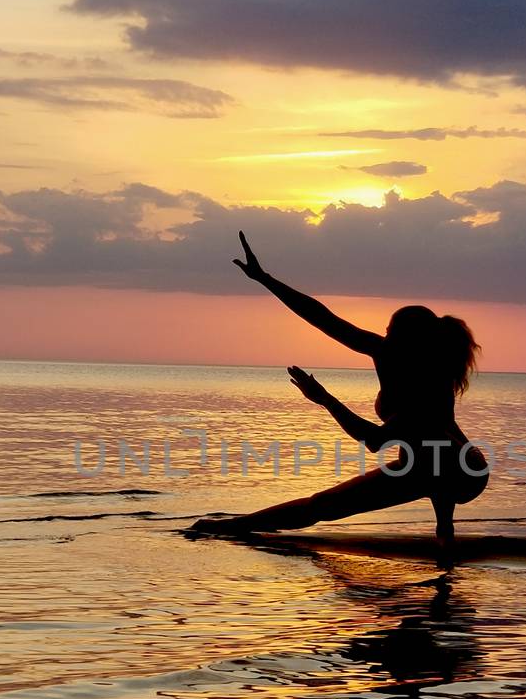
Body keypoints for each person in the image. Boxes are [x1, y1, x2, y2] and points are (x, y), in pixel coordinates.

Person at [191, 232, 488, 553]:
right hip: (438, 466)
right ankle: (445, 537)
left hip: (462, 472)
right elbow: (324, 319)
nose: (383, 336)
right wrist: (265, 279)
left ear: (411, 343)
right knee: (412, 470)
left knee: (320, 506)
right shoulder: (386, 353)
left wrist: (326, 400)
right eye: (386, 331)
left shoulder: (428, 385)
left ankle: (231, 528)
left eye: (391, 332)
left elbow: (375, 441)